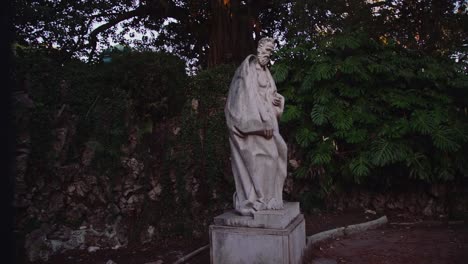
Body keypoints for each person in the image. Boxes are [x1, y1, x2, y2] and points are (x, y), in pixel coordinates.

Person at [225, 37, 288, 216]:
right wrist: (259, 124)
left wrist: (276, 99)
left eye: (271, 51)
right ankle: (261, 198)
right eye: (267, 49)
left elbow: (269, 94)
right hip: (255, 125)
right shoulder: (247, 71)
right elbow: (245, 99)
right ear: (259, 48)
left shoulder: (266, 72)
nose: (268, 54)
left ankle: (270, 197)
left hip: (269, 121)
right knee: (263, 158)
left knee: (278, 154)